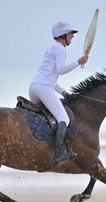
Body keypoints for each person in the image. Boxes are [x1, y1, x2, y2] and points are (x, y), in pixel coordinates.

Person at [29, 21, 88, 165]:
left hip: (34, 87)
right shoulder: (60, 49)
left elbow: (51, 77)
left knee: (48, 116)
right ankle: (58, 153)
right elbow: (61, 70)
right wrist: (78, 62)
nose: (72, 38)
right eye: (70, 34)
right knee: (64, 119)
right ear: (63, 35)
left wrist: (64, 92)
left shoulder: (51, 48)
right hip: (43, 88)